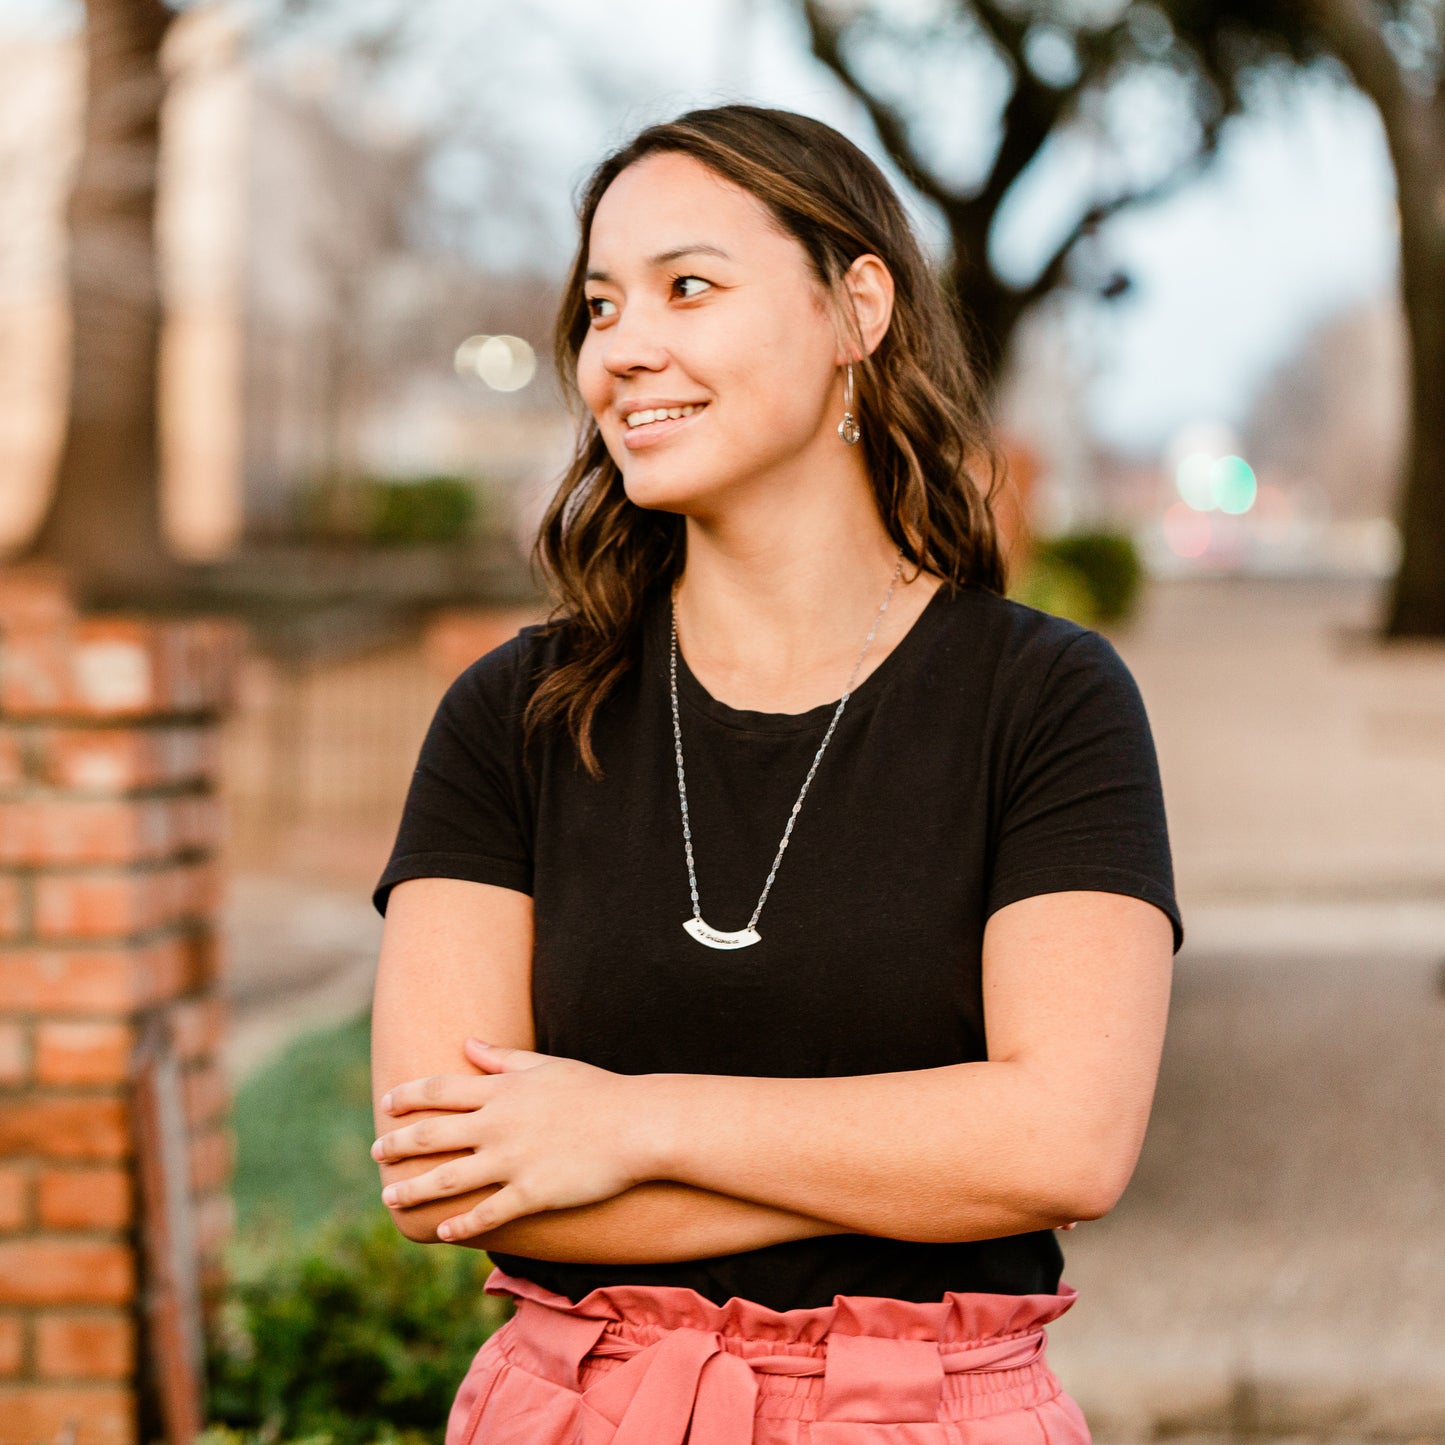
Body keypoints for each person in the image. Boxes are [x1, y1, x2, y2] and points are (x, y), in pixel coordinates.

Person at [367, 103, 1183, 1445]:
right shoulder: (512, 714)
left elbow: (1065, 1143)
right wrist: (922, 1162)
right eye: (600, 305)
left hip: (926, 1418)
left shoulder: (1042, 700)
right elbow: (451, 1168)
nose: (624, 349)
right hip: (574, 1413)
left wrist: (628, 1124)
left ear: (854, 305)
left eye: (687, 287)